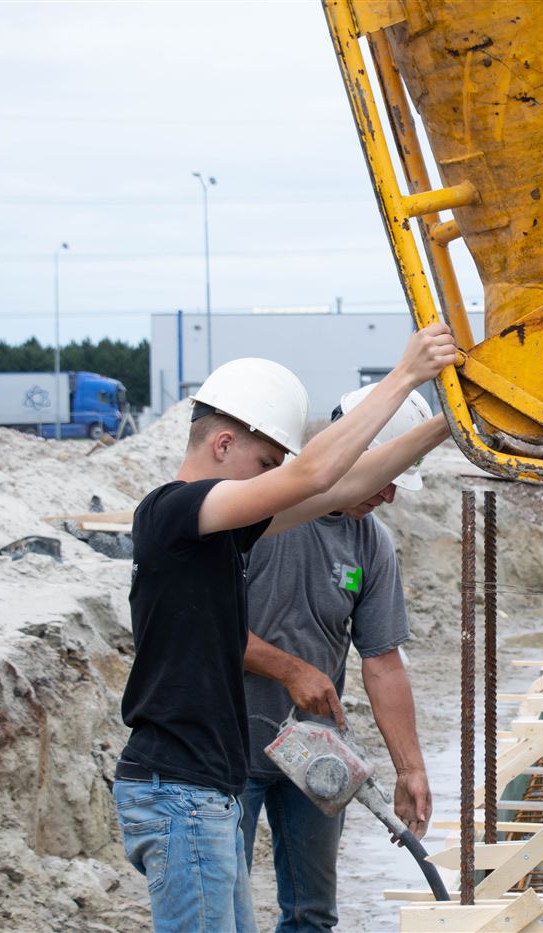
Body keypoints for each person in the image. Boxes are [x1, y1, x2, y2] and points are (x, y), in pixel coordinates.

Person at [113, 324, 456, 933]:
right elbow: (312, 478)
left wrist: (450, 423)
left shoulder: (218, 533)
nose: (273, 477)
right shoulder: (172, 511)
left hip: (201, 790)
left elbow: (342, 486)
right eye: (266, 463)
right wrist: (404, 376)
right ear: (222, 444)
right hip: (179, 790)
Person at [240, 383, 434, 933]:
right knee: (221, 913)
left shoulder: (370, 543)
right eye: (388, 478)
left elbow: (383, 661)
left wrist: (411, 767)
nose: (391, 496)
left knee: (312, 914)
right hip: (225, 749)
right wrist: (291, 669)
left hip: (314, 753)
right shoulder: (257, 512)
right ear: (355, 453)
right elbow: (204, 628)